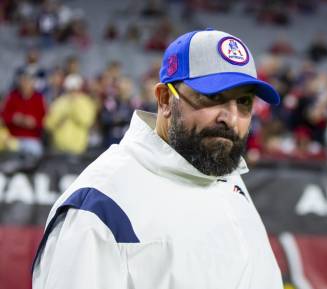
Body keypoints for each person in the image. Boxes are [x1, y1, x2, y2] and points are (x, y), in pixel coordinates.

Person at [32, 29, 283, 289]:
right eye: (212, 97)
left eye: (243, 102)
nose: (230, 118)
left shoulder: (227, 176)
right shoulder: (100, 206)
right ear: (165, 99)